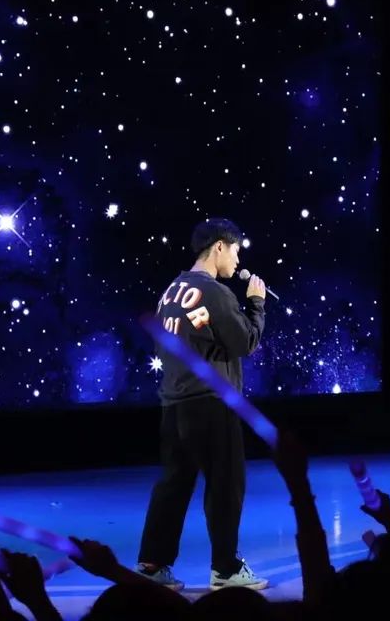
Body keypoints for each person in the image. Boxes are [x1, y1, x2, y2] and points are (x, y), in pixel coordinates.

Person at [135, 217, 269, 591]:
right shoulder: (214, 292)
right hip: (211, 402)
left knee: (173, 485)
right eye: (236, 250)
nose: (238, 260)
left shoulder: (170, 292)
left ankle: (152, 566)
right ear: (220, 247)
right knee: (225, 484)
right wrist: (256, 305)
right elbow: (244, 342)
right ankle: (225, 568)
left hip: (174, 403)